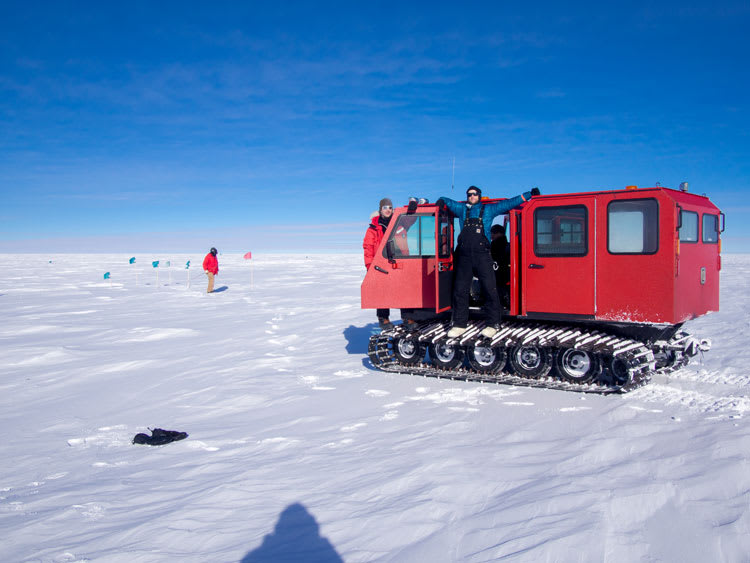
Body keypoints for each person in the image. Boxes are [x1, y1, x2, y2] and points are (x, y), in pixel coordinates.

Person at [437, 185, 540, 338]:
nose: (472, 196)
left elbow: (509, 203)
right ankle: (459, 324)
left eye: (474, 194)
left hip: (482, 256)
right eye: (469, 194)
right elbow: (447, 201)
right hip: (464, 256)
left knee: (489, 288)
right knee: (460, 290)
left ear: (479, 195)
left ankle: (493, 324)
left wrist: (528, 195)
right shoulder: (462, 210)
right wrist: (440, 202)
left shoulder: (489, 210)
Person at [363, 198, 394, 328]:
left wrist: (411, 210)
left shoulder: (398, 222)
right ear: (380, 210)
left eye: (390, 208)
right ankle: (383, 318)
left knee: (404, 286)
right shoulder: (373, 228)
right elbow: (368, 247)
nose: (388, 210)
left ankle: (408, 317)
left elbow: (409, 225)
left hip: (395, 260)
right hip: (379, 262)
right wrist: (370, 266)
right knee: (382, 290)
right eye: (385, 207)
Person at [490, 223, 510, 309]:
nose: (491, 236)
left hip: (498, 271)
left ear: (499, 233)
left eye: (493, 233)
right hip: (505, 271)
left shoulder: (495, 245)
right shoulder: (508, 244)